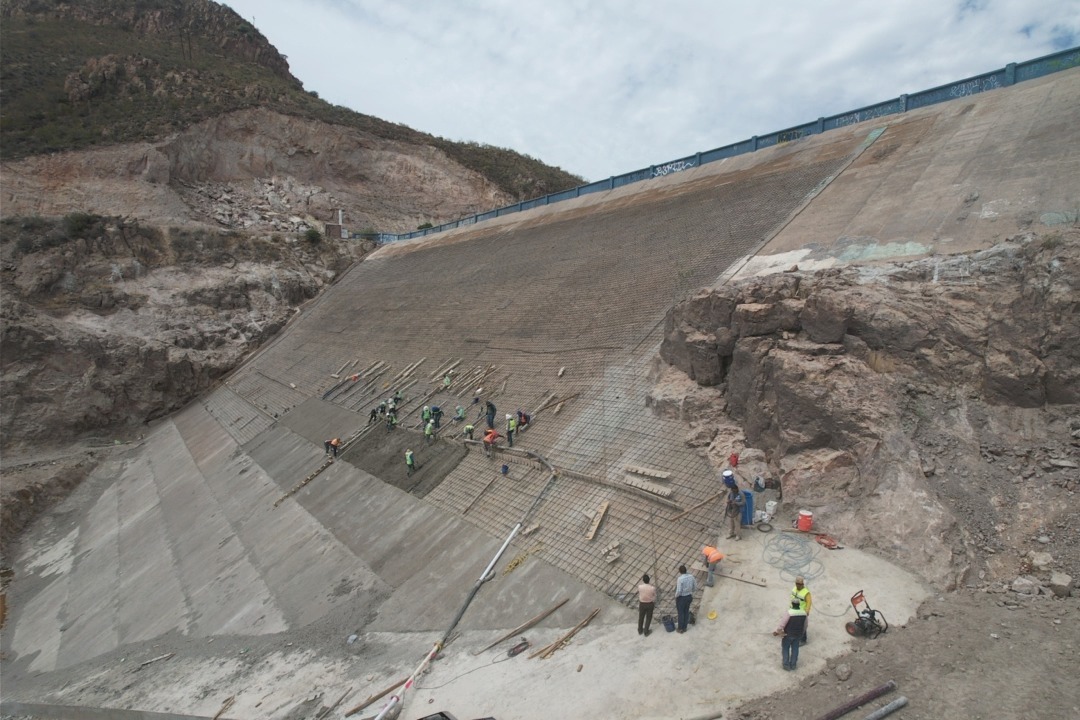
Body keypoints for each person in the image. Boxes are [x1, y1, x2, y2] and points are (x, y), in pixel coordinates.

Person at [774, 598, 808, 670]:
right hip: (798, 634)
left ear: (792, 604)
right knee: (795, 649)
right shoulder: (804, 613)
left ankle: (786, 665)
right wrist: (802, 633)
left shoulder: (789, 612)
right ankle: (793, 665)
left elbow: (782, 624)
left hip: (788, 634)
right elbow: (805, 625)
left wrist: (778, 632)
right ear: (799, 604)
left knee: (786, 648)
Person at [674, 565, 696, 633]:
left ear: (680, 571)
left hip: (682, 598)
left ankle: (680, 628)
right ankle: (685, 627)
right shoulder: (691, 576)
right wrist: (691, 591)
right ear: (686, 570)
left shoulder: (680, 579)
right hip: (689, 597)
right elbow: (695, 586)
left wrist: (676, 596)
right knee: (686, 611)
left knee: (681, 613)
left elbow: (679, 590)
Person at [790, 576, 812, 645]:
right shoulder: (794, 589)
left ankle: (803, 640)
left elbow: (809, 602)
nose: (798, 585)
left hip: (801, 612)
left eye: (800, 584)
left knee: (802, 626)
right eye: (797, 584)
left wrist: (807, 611)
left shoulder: (806, 593)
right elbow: (792, 598)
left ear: (802, 584)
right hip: (793, 611)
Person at [724, 472, 744, 540]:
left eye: (734, 490)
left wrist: (736, 503)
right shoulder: (731, 493)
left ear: (737, 489)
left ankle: (738, 535)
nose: (733, 491)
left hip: (738, 512)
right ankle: (731, 533)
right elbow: (728, 498)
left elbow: (743, 502)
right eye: (732, 490)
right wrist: (729, 501)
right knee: (731, 523)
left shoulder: (741, 494)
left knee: (737, 524)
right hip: (732, 510)